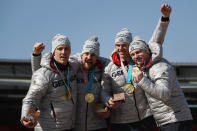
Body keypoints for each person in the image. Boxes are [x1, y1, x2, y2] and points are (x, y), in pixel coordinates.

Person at [101, 4, 171, 131]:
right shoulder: (109, 67)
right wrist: (108, 101)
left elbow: (157, 40)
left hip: (145, 118)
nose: (120, 48)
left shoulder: (141, 62)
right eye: (117, 45)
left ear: (130, 45)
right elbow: (104, 91)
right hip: (121, 122)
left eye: (124, 45)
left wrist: (164, 19)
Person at [31, 36, 110, 131]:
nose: (89, 57)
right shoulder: (73, 67)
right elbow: (41, 74)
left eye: (93, 55)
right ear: (82, 55)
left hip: (98, 126)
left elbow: (107, 92)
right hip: (75, 126)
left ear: (97, 57)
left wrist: (109, 110)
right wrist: (36, 56)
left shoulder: (102, 71)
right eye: (86, 54)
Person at [129, 36, 193, 131]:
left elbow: (164, 94)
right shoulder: (146, 68)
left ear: (147, 51)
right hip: (167, 121)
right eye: (132, 54)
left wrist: (142, 80)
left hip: (175, 120)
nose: (135, 57)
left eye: (138, 52)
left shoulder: (159, 66)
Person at [21, 34, 78, 131]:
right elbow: (31, 99)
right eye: (59, 48)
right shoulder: (44, 74)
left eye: (66, 48)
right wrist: (26, 116)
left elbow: (86, 55)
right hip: (48, 128)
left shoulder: (73, 66)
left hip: (69, 127)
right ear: (53, 51)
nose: (63, 52)